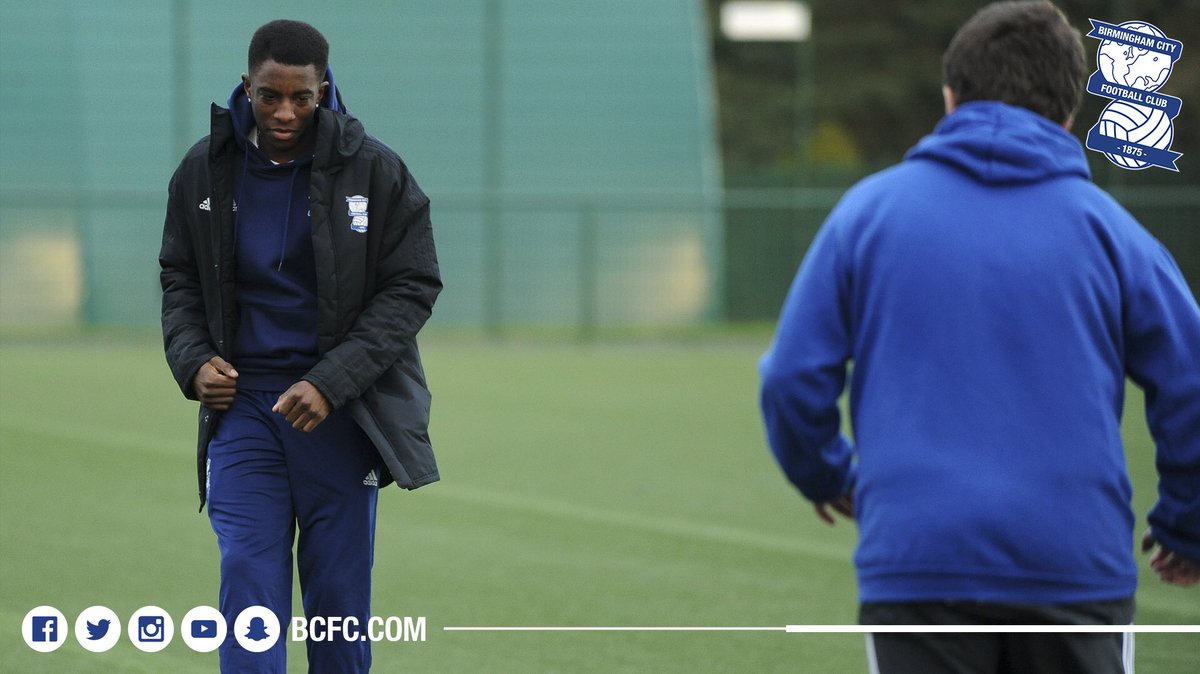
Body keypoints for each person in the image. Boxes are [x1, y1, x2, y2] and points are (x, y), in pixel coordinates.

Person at [758, 2, 1199, 672]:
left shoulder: (867, 216)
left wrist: (826, 474)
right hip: (1074, 566)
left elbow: (792, 375)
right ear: (1068, 114)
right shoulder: (1113, 233)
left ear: (949, 97)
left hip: (921, 563)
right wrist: (1187, 521)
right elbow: (1191, 381)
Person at [160, 19, 441, 672]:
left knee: (337, 599)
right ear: (247, 87)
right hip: (243, 413)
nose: (285, 112)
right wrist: (192, 360)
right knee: (247, 580)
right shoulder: (203, 169)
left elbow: (412, 285)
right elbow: (179, 275)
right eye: (269, 96)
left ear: (325, 90)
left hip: (337, 415)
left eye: (301, 97)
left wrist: (331, 382)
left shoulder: (375, 169)